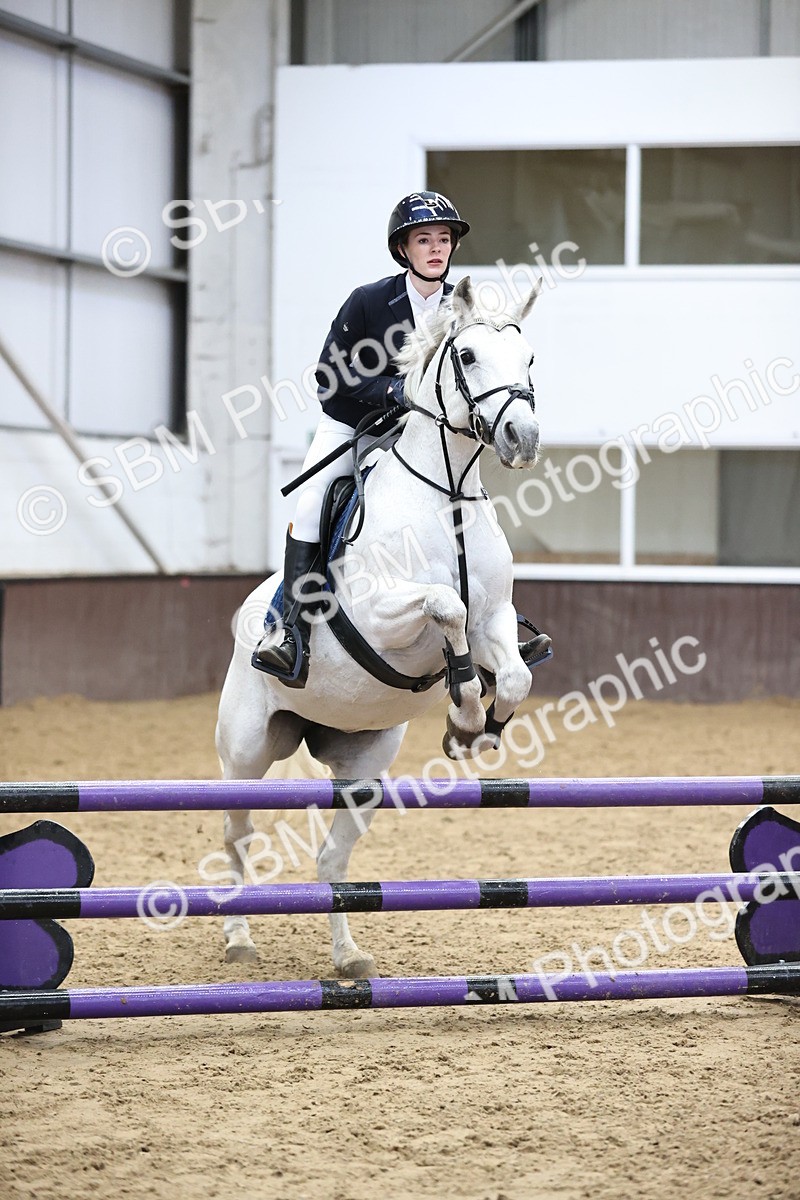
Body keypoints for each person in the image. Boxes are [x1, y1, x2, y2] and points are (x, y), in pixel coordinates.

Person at [254, 190, 551, 687]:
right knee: (311, 505)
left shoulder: (465, 306)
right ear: (404, 250)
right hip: (353, 424)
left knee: (469, 502)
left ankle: (498, 626)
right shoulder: (369, 301)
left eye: (442, 239)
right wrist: (392, 390)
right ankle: (288, 631)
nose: (436, 249)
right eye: (423, 240)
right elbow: (329, 377)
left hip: (422, 435)